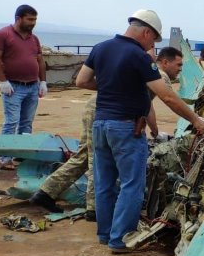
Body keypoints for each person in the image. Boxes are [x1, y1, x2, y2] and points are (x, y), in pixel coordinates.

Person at [75, 9, 204, 253]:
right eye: (153, 41)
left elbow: (81, 81)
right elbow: (167, 96)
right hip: (126, 128)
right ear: (146, 32)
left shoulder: (100, 48)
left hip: (100, 125)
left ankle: (105, 234)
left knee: (105, 183)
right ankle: (120, 239)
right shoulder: (139, 56)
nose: (152, 47)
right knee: (132, 185)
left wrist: (112, 87)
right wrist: (196, 120)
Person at [28, 46, 187, 219]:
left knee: (83, 157)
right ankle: (94, 209)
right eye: (178, 65)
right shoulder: (160, 76)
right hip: (104, 111)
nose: (180, 69)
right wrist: (194, 121)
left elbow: (146, 104)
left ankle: (45, 193)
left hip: (97, 107)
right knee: (96, 158)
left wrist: (154, 131)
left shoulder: (149, 72)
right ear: (165, 62)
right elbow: (169, 99)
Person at [0, 4, 48, 169]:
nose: (33, 23)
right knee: (11, 122)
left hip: (32, 86)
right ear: (18, 18)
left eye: (35, 20)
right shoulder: (3, 34)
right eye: (30, 19)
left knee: (26, 123)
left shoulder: (34, 39)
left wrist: (43, 82)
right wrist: (3, 81)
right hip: (13, 87)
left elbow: (40, 60)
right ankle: (4, 158)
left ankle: (22, 155)